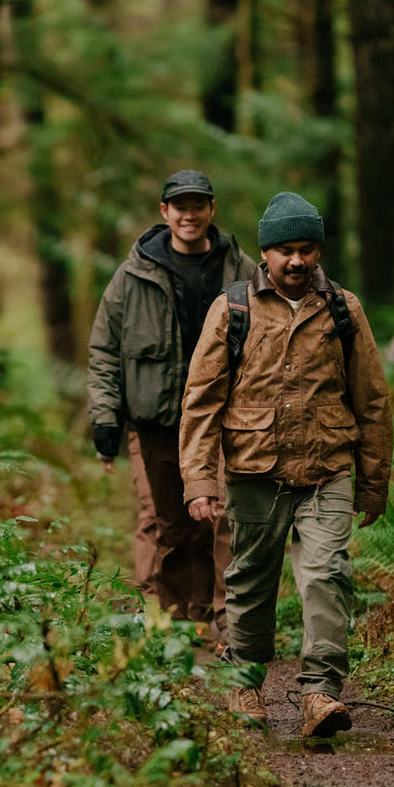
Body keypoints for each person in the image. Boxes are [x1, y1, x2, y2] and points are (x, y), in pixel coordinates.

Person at [179, 191, 393, 737]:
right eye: (284, 251)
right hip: (254, 471)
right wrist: (200, 479)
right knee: (250, 580)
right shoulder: (233, 309)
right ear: (264, 254)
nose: (296, 261)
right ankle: (244, 682)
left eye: (306, 249)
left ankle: (319, 695)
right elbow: (202, 399)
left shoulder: (343, 309)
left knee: (327, 575)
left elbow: (371, 400)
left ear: (318, 251)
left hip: (326, 469)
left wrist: (372, 482)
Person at [87, 169, 256, 630]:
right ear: (165, 212)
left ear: (211, 209)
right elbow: (104, 350)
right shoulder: (132, 275)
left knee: (225, 519)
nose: (189, 214)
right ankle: (184, 621)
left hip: (226, 417)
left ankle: (230, 625)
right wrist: (106, 418)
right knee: (174, 526)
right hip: (157, 421)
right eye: (180, 206)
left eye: (197, 205)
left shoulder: (240, 270)